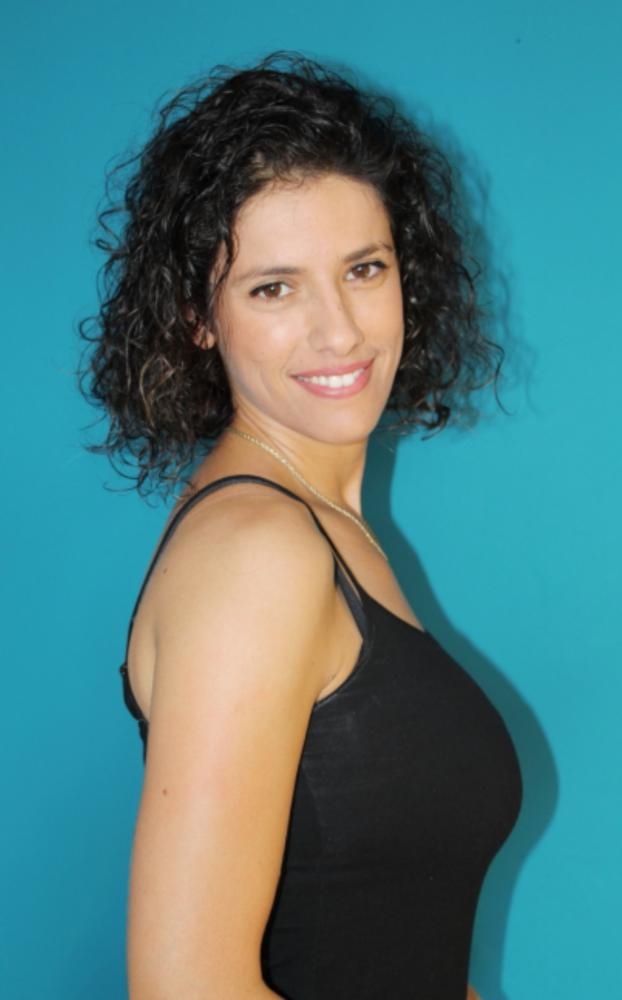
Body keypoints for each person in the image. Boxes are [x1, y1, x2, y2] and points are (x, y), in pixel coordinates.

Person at [79, 52, 522, 1000]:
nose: (341, 331)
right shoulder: (258, 550)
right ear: (197, 317)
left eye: (364, 269)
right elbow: (188, 989)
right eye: (273, 288)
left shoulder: (328, 533)